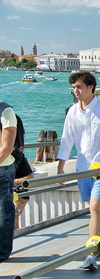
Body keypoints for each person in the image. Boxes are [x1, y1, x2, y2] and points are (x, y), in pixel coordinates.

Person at [57, 72, 100, 271]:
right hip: (83, 168)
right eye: (74, 87)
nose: (75, 91)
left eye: (79, 87)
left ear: (90, 87)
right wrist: (61, 166)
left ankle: (91, 253)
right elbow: (66, 138)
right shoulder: (72, 112)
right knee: (96, 209)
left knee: (95, 207)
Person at [0, 100, 17, 262]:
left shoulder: (5, 111)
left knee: (4, 212)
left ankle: (2, 252)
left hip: (2, 169)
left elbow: (7, 147)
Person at [13, 155, 34, 229]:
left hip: (19, 195)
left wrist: (11, 181)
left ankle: (13, 238)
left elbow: (30, 177)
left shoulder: (19, 158)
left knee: (12, 218)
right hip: (6, 194)